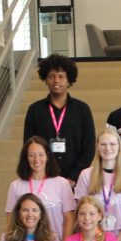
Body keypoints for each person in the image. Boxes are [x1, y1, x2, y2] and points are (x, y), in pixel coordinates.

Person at [17, 53, 96, 181]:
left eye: (61, 76)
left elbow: (88, 148)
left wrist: (74, 178)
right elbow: (29, 146)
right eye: (51, 76)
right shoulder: (35, 110)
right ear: (45, 79)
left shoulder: (82, 110)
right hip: (43, 180)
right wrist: (41, 175)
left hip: (75, 181)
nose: (56, 81)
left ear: (69, 80)